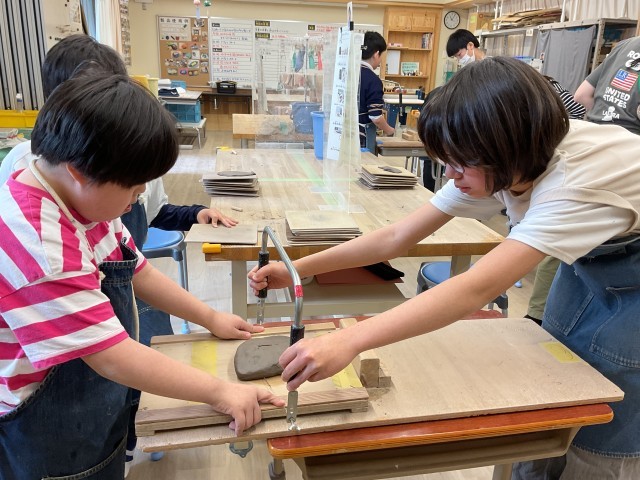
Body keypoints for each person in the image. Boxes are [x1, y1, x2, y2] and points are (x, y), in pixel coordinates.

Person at [249, 57, 640, 479]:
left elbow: (474, 289)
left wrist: (350, 341)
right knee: (556, 389)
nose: (450, 175)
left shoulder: (571, 186)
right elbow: (396, 237)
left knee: (608, 426)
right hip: (594, 257)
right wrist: (298, 268)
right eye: (445, 160)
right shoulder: (505, 160)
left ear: (505, 148)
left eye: (459, 162)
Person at [0, 74, 284, 479]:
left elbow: (135, 268)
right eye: (134, 188)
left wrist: (210, 317)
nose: (138, 198)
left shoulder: (76, 199)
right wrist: (220, 392)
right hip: (48, 434)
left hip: (90, 406)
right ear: (79, 171)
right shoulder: (40, 246)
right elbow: (111, 357)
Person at [574, 35, 640, 135]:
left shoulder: (623, 45)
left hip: (591, 132)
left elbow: (581, 95)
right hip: (628, 138)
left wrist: (603, 112)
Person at [359, 31, 395, 154]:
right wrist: (390, 131)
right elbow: (376, 117)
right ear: (376, 54)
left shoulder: (348, 73)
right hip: (361, 139)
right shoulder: (373, 80)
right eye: (381, 56)